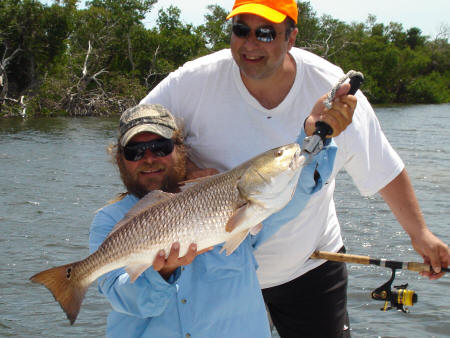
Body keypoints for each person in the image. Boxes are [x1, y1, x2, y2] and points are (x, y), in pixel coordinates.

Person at [140, 0, 450, 338]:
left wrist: (422, 235)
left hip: (308, 266)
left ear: (291, 37)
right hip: (216, 271)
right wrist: (188, 169)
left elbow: (382, 166)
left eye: (267, 33)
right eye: (241, 30)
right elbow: (135, 132)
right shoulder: (191, 82)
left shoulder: (331, 91)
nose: (251, 44)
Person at [89, 102, 347, 337]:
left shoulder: (245, 204)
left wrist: (316, 135)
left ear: (180, 150)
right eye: (135, 151)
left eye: (160, 147)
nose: (148, 158)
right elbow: (127, 299)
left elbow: (296, 186)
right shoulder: (109, 221)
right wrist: (162, 272)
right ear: (120, 159)